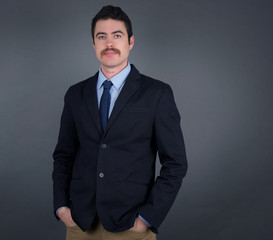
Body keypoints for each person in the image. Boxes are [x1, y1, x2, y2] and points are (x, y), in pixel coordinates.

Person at [52, 5, 187, 240]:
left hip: (131, 225)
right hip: (80, 224)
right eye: (101, 36)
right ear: (93, 43)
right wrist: (61, 207)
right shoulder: (75, 94)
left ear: (131, 41)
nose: (109, 43)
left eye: (117, 35)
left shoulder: (157, 94)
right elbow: (64, 155)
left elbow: (175, 164)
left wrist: (147, 219)